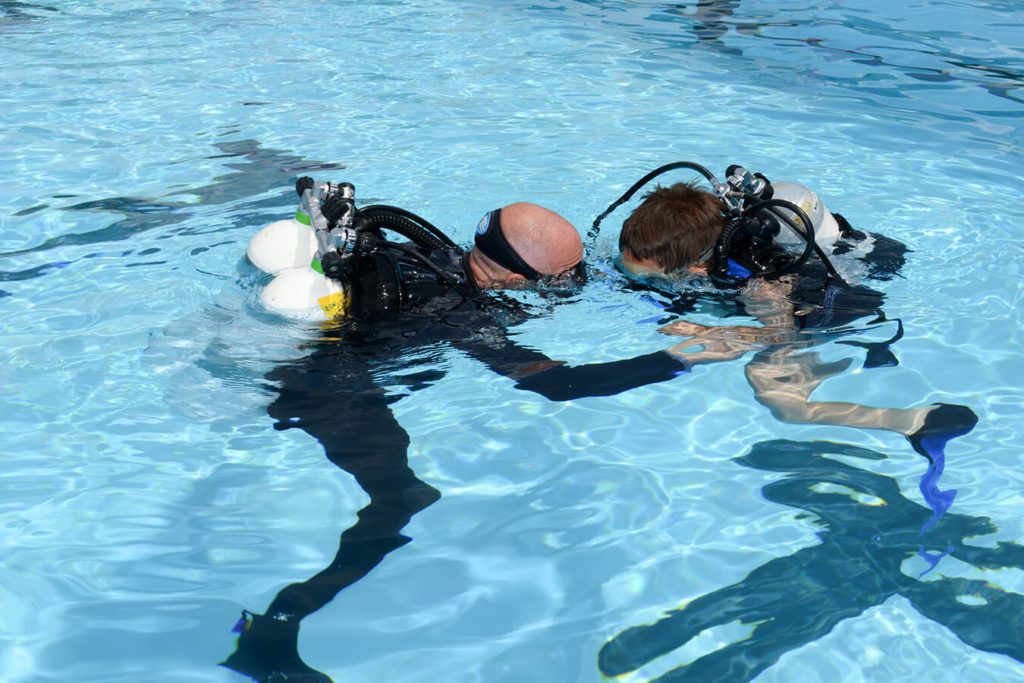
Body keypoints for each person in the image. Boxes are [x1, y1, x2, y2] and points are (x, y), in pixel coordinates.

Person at [222, 196, 691, 681]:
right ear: (512, 278)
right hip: (320, 389)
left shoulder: (434, 257)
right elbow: (553, 384)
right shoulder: (458, 310)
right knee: (402, 500)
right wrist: (677, 359)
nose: (574, 285)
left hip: (322, 368)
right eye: (564, 277)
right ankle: (273, 629)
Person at [615, 179, 977, 531]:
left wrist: (710, 333)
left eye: (651, 277)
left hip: (832, 304)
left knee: (783, 401)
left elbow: (780, 335)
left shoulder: (760, 285)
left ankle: (918, 422)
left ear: (695, 269)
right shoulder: (701, 237)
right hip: (827, 264)